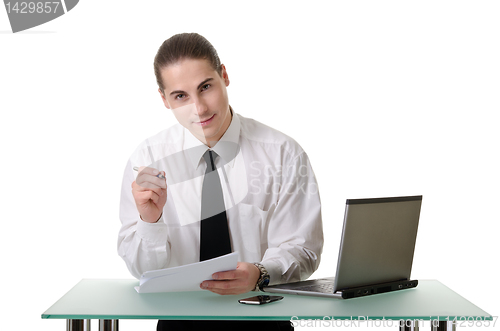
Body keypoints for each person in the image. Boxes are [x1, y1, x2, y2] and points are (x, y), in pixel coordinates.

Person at [118, 33, 323, 330]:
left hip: (263, 318)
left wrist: (260, 271)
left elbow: (304, 249)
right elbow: (142, 272)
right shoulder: (147, 161)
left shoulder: (282, 153)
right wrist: (150, 222)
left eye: (205, 87)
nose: (199, 108)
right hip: (180, 323)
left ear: (224, 76)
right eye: (181, 96)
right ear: (164, 100)